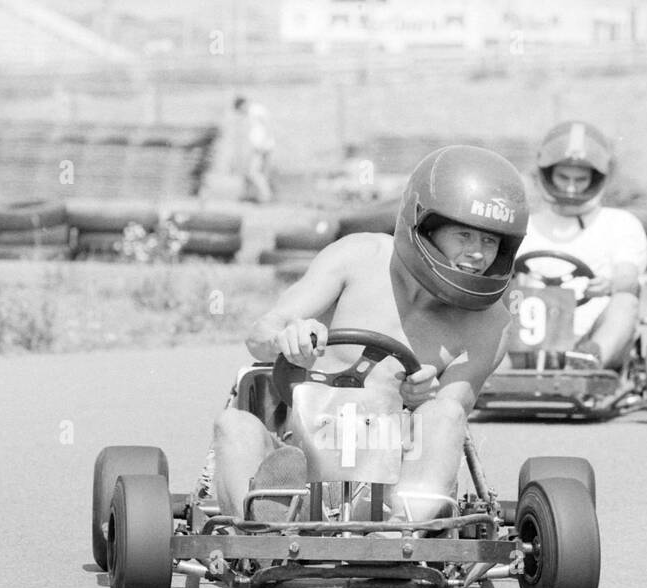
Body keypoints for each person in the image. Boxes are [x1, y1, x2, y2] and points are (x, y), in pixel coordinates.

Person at [211, 144, 529, 526]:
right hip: (299, 443)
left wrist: (425, 394)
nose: (477, 253)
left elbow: (454, 404)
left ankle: (399, 534)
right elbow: (261, 333)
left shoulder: (492, 321)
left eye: (489, 241)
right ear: (424, 227)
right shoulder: (357, 256)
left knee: (444, 413)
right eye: (464, 235)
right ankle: (263, 528)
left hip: (397, 468)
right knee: (235, 424)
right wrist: (289, 337)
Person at [513, 120, 647, 370]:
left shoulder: (620, 223)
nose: (571, 186)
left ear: (596, 178)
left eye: (580, 178)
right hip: (524, 337)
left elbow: (628, 276)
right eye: (563, 177)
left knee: (626, 300)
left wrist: (611, 284)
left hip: (591, 334)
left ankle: (589, 362)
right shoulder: (524, 225)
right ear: (548, 174)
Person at [233, 96, 275, 204]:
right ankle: (260, 196)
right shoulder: (252, 113)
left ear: (242, 105)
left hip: (261, 147)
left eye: (240, 109)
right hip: (261, 146)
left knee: (253, 172)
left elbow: (267, 124)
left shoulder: (255, 110)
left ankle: (266, 195)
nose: (241, 112)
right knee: (261, 173)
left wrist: (263, 143)